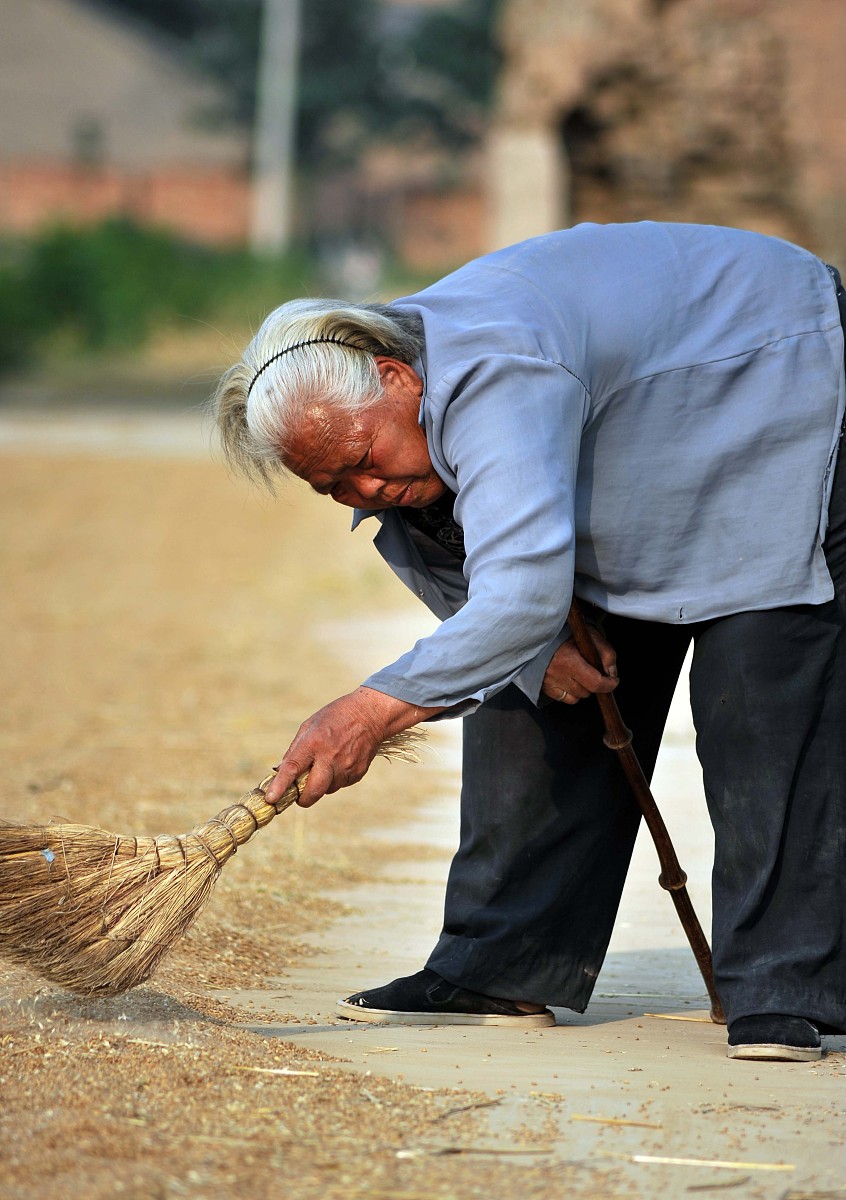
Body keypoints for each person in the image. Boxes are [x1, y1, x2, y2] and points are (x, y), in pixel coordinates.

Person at [212, 221, 846, 1062]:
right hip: (640, 426)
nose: (364, 489)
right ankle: (499, 964)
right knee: (518, 673)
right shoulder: (379, 395)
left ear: (399, 379)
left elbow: (515, 595)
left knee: (761, 689)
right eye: (333, 486)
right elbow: (476, 588)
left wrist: (369, 712)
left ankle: (787, 986)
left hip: (778, 366)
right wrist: (533, 651)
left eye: (364, 459)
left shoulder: (496, 372)